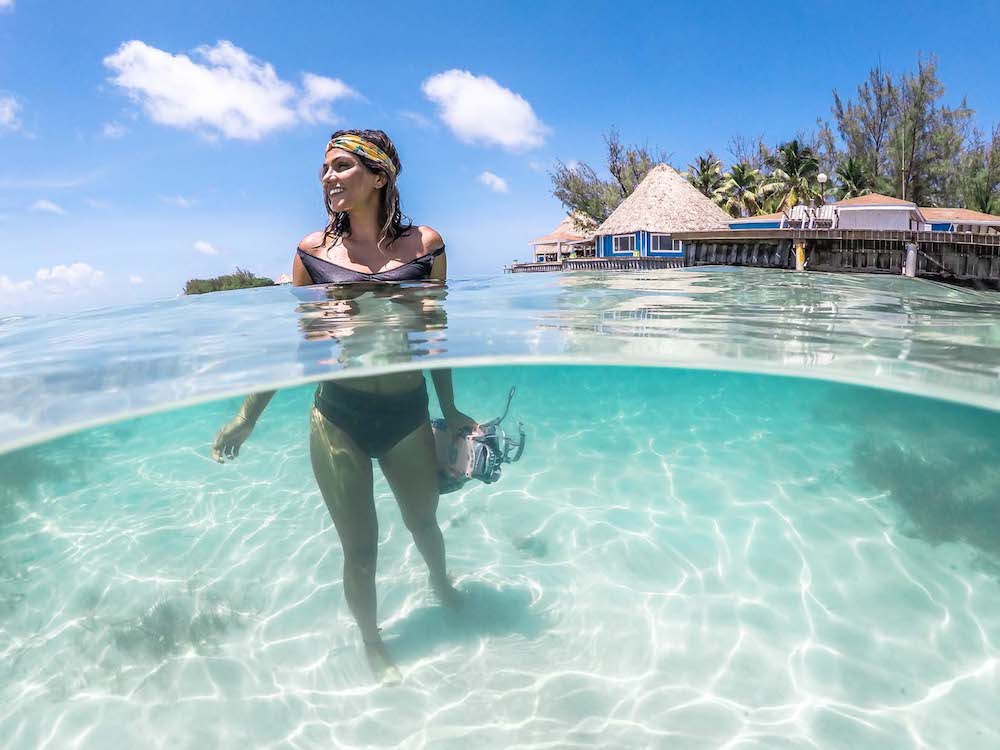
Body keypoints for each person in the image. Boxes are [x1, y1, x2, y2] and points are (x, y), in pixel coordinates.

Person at [211, 129, 476, 684]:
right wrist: (247, 416)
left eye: (340, 166)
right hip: (339, 415)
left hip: (407, 412)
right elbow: (299, 347)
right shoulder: (311, 252)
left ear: (379, 175)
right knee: (360, 549)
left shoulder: (425, 246)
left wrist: (448, 408)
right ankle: (373, 642)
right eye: (324, 169)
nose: (327, 177)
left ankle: (443, 584)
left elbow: (436, 336)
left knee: (423, 521)